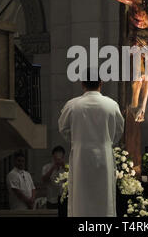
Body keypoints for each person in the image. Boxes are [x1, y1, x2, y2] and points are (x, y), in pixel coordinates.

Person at [58, 68, 124, 217]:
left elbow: (63, 129)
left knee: (80, 197)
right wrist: (106, 141)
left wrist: (77, 140)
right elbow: (119, 131)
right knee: (104, 197)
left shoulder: (72, 105)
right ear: (101, 83)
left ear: (82, 84)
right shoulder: (111, 105)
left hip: (81, 156)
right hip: (104, 156)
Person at [41, 146, 66, 210]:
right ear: (53, 157)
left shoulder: (67, 168)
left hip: (64, 199)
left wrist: (65, 167)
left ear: (63, 157)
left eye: (60, 158)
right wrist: (52, 168)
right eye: (56, 158)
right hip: (51, 200)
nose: (58, 160)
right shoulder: (46, 167)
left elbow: (72, 181)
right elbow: (44, 180)